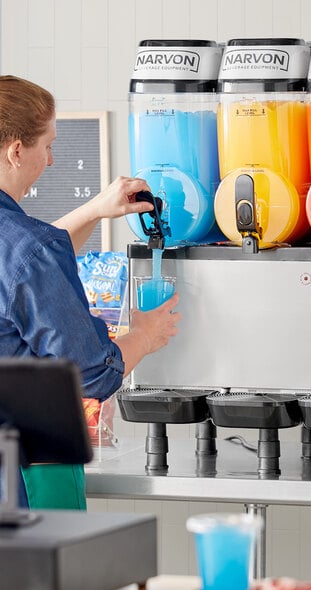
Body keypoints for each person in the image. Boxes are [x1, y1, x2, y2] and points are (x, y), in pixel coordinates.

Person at [0, 74, 181, 509]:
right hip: (26, 469)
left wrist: (98, 210)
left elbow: (23, 268)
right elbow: (91, 374)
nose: (52, 160)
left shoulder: (27, 248)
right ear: (16, 150)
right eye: (47, 145)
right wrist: (146, 336)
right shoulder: (30, 250)